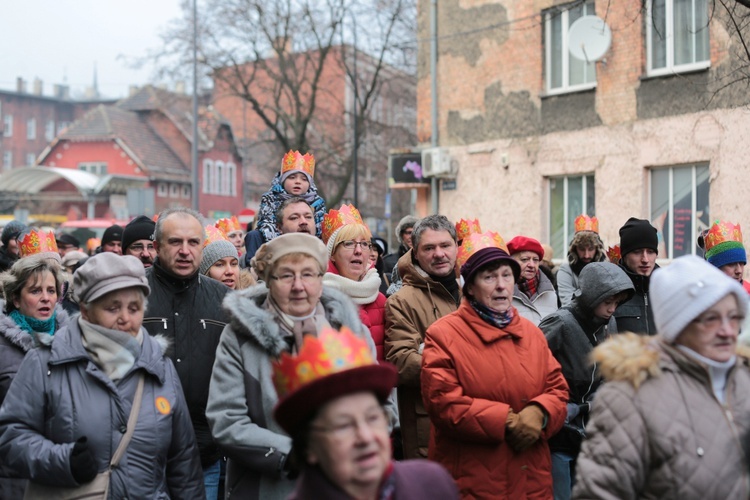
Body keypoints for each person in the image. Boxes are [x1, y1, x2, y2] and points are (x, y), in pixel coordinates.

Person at [0, 252, 205, 498]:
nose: (125, 319)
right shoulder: (45, 361)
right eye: (113, 308)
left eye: (134, 308)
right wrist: (63, 461)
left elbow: (183, 461)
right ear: (86, 310)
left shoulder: (160, 366)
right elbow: (11, 437)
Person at [206, 233, 381, 499]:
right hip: (268, 488)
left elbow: (383, 406)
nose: (299, 286)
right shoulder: (239, 338)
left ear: (322, 279)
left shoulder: (350, 331)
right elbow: (226, 419)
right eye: (286, 276)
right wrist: (298, 453)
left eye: (309, 274)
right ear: (268, 282)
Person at [573, 255, 750, 499]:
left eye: (733, 317)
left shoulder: (743, 379)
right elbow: (599, 491)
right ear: (679, 325)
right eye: (711, 318)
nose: (728, 331)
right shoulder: (629, 398)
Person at [421, 231, 568, 498]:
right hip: (474, 484)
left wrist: (540, 413)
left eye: (507, 275)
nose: (501, 285)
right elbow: (443, 404)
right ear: (471, 287)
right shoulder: (443, 335)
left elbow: (558, 389)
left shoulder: (531, 333)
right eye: (489, 277)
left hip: (531, 480)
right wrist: (506, 421)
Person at [272, 326, 459, 500]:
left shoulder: (433, 484)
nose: (366, 437)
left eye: (373, 418)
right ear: (308, 446)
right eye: (343, 426)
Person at [142, 207, 229, 500]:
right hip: (143, 452)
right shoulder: (134, 294)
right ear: (156, 247)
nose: (184, 251)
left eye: (193, 242)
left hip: (204, 453)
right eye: (174, 242)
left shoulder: (224, 300)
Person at [538, 262, 634, 500]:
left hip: (591, 428)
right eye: (607, 301)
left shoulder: (608, 323)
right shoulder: (560, 323)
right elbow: (532, 363)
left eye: (616, 302)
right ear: (592, 296)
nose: (612, 309)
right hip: (560, 428)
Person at [384, 214, 460, 459]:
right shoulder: (401, 301)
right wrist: (463, 363)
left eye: (445, 245)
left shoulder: (472, 291)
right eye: (429, 248)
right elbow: (400, 361)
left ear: (456, 247)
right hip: (428, 426)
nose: (439, 254)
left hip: (475, 421)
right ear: (415, 253)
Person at [0, 256, 70, 497]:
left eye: (51, 290)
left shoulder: (73, 343)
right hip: (12, 479)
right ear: (16, 299)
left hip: (63, 474)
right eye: (35, 290)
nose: (46, 298)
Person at [321, 205, 387, 361]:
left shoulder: (382, 301)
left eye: (364, 244)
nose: (358, 250)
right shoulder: (319, 299)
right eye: (349, 243)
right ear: (332, 255)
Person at [256, 150, 327, 243]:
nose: (298, 181)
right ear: (283, 181)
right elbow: (266, 225)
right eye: (292, 177)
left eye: (304, 179)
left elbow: (320, 230)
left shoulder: (317, 202)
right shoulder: (270, 199)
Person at [612, 217, 659, 335]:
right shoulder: (611, 290)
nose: (645, 259)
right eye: (637, 252)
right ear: (624, 255)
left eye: (650, 252)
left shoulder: (669, 288)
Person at [245, 197, 316, 265]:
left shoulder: (325, 257)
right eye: (294, 218)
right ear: (279, 227)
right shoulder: (268, 265)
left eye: (308, 217)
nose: (303, 222)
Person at [508, 235, 559, 325]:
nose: (531, 265)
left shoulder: (550, 291)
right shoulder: (502, 290)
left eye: (535, 260)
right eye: (525, 259)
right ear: (512, 262)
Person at [556, 215, 606, 307]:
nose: (586, 255)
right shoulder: (566, 270)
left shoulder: (606, 268)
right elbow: (567, 303)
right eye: (582, 249)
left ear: (597, 249)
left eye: (591, 249)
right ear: (575, 249)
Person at [200, 225, 255, 290]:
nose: (230, 271)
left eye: (234, 264)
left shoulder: (251, 297)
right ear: (205, 271)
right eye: (219, 265)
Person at [702, 220, 750, 293]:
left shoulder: (747, 292)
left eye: (742, 263)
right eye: (731, 264)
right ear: (715, 267)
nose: (739, 271)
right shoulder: (701, 296)